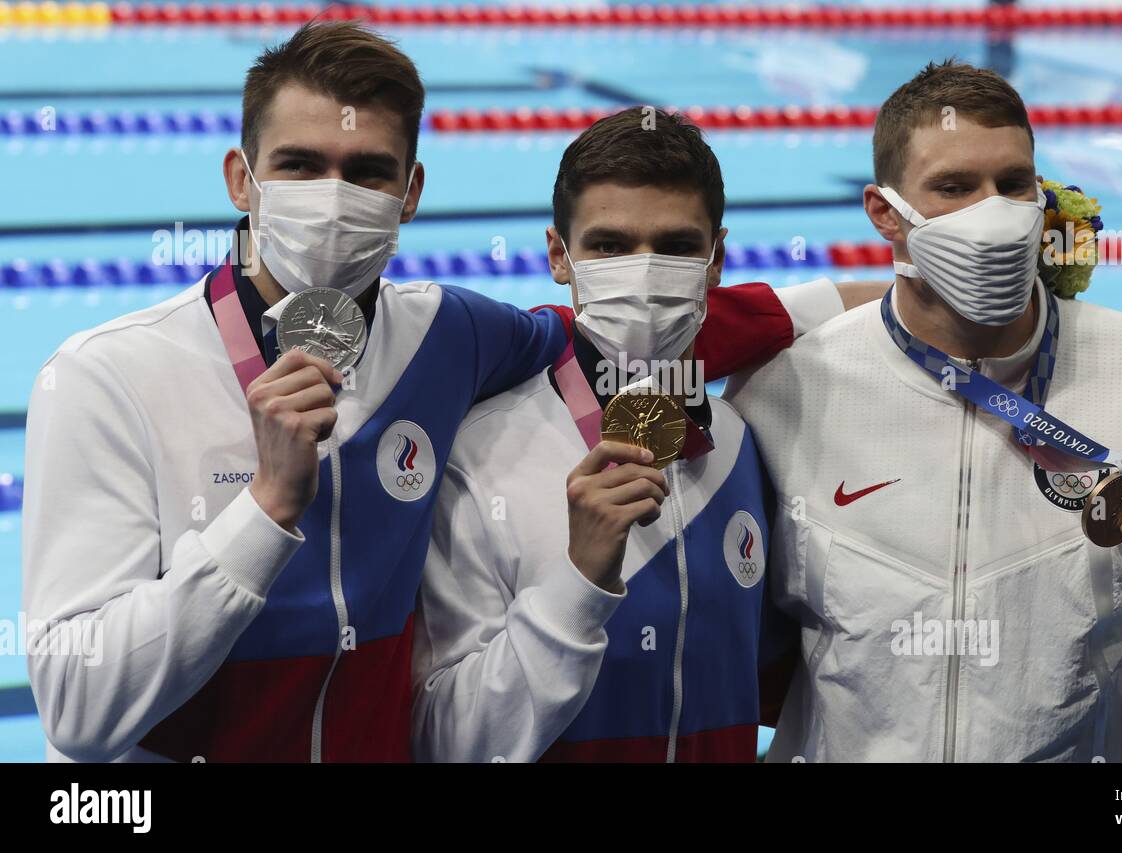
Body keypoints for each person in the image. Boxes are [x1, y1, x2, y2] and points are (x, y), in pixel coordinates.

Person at [20, 23, 841, 763]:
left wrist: (877, 303)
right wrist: (264, 511)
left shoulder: (447, 334)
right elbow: (78, 712)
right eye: (301, 165)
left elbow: (610, 329)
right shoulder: (110, 376)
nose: (335, 196)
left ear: (410, 193)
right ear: (243, 180)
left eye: (369, 172)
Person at [725, 60, 1122, 762]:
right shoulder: (786, 388)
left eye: (1013, 184)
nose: (994, 212)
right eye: (955, 188)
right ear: (885, 212)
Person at [411, 108, 885, 762]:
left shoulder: (744, 444)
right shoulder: (481, 456)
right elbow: (448, 742)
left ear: (716, 259)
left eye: (676, 246)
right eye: (609, 246)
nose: (644, 275)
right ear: (558, 256)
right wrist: (578, 582)